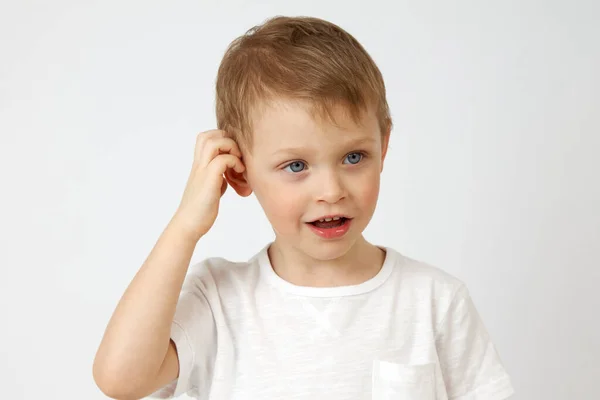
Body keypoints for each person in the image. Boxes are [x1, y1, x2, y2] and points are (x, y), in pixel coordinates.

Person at [93, 16, 515, 400]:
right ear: (239, 172)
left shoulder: (434, 300)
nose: (331, 190)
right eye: (296, 165)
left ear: (383, 146)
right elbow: (120, 379)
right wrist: (186, 226)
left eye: (354, 157)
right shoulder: (219, 300)